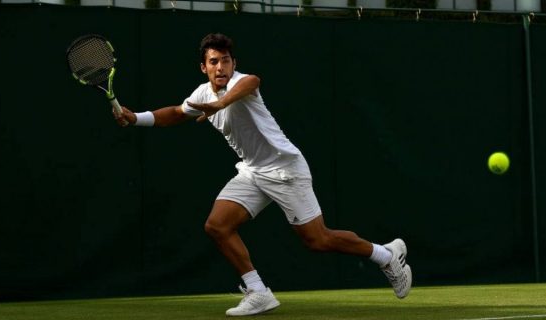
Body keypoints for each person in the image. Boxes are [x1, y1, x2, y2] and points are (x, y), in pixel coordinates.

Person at [114, 33, 412, 316]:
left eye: (227, 60)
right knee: (217, 226)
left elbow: (253, 81)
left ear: (234, 63)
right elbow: (178, 113)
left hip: (286, 170)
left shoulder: (242, 82)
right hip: (253, 172)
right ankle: (258, 292)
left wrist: (220, 103)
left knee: (317, 240)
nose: (221, 67)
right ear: (203, 67)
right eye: (214, 61)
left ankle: (386, 256)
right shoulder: (202, 93)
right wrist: (135, 118)